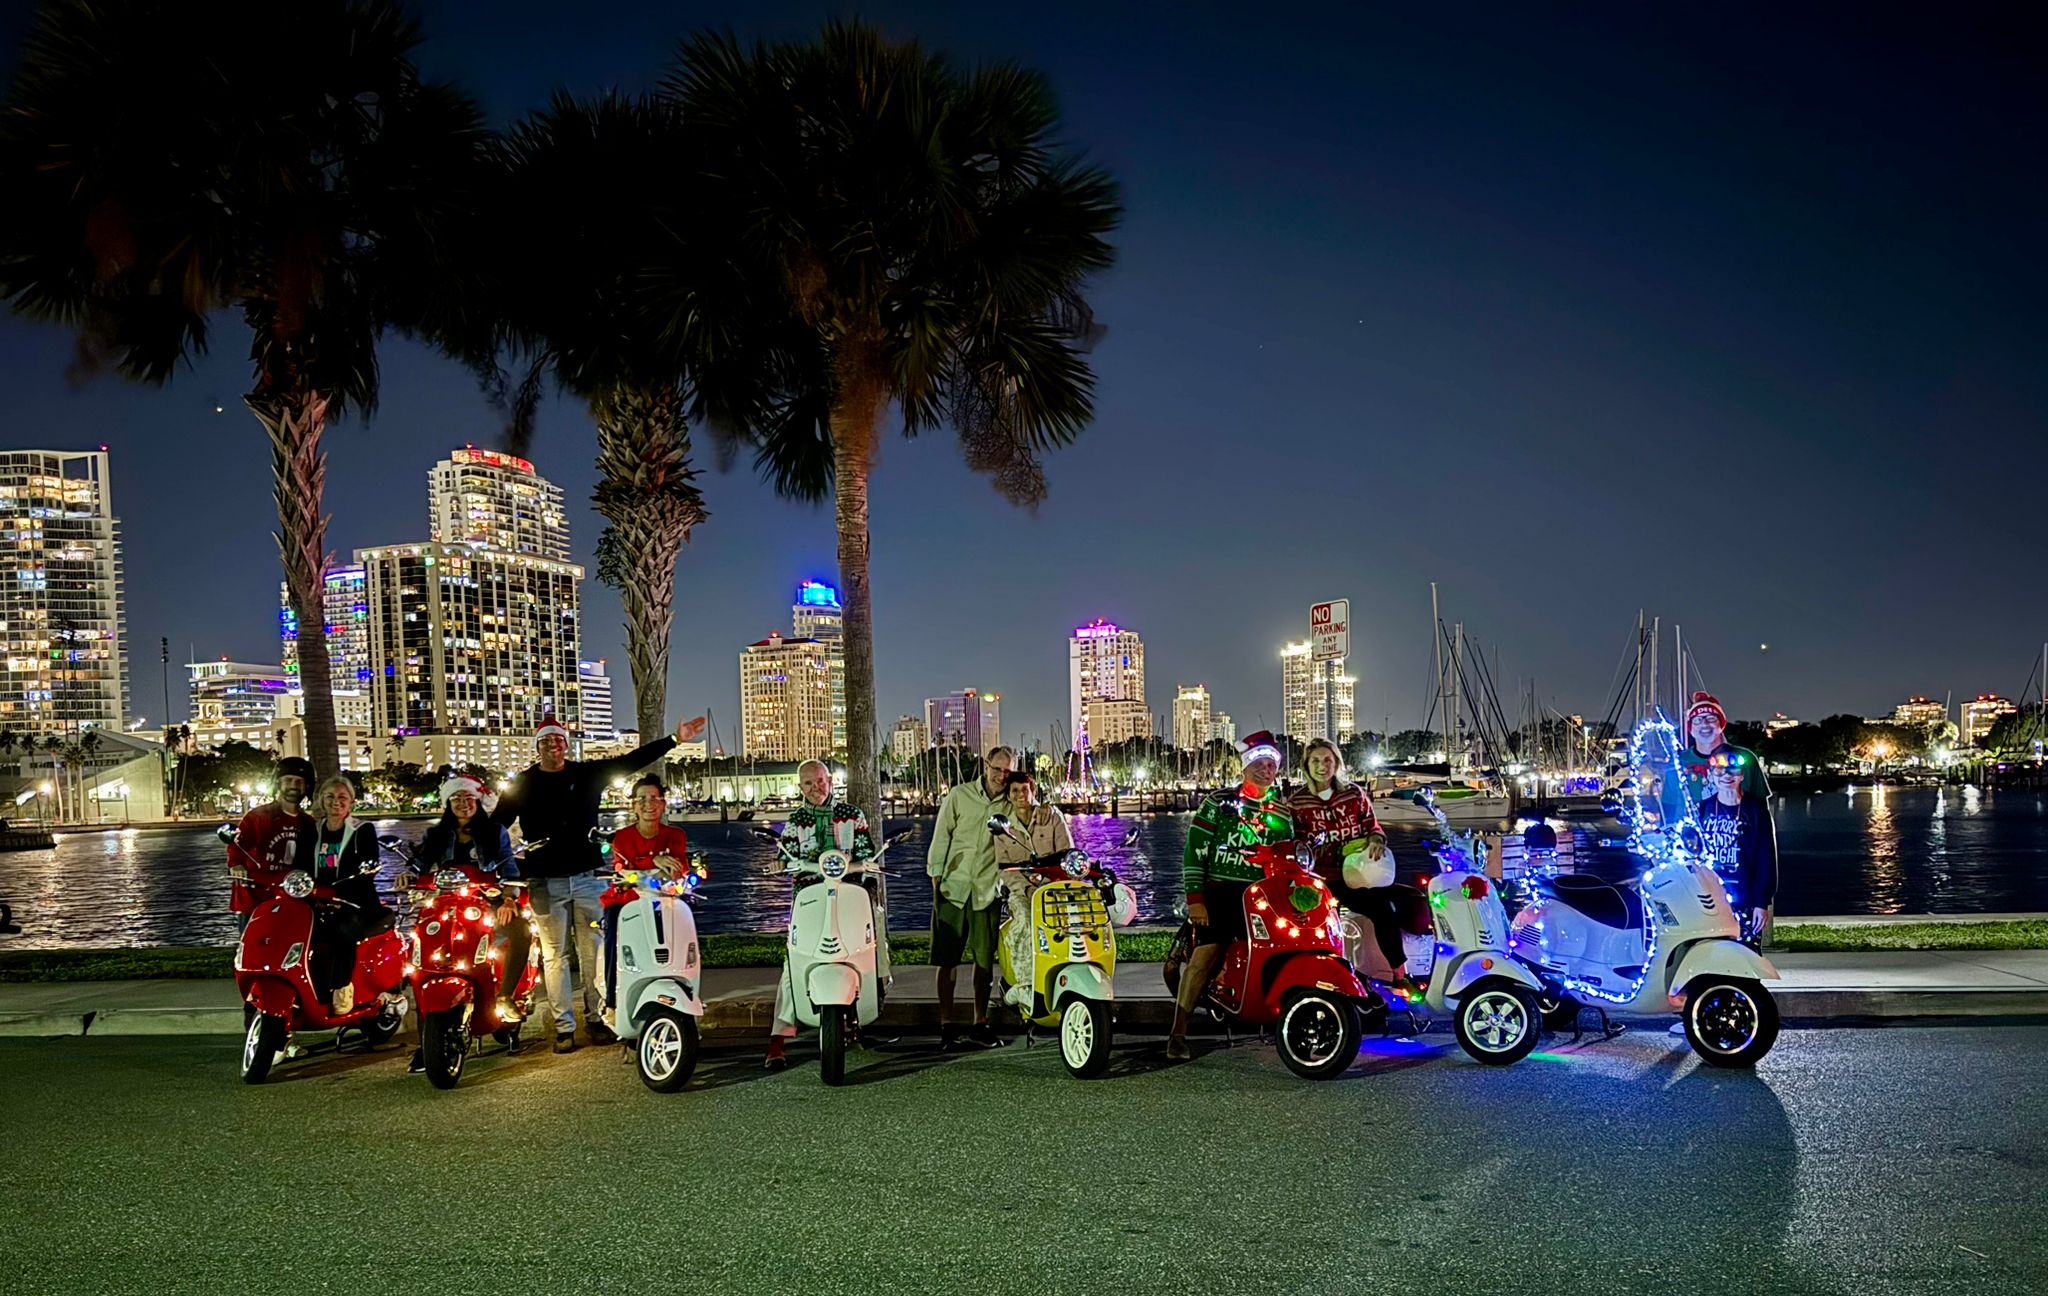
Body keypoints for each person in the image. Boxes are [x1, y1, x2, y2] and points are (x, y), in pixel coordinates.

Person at [496, 711, 705, 1053]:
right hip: (544, 881)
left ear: (567, 744)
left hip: (589, 876)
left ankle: (596, 1018)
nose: (554, 746)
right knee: (555, 956)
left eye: (559, 739)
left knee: (593, 952)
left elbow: (631, 760)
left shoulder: (586, 774)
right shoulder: (523, 784)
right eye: (546, 741)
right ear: (538, 746)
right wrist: (501, 868)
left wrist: (674, 740)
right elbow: (496, 828)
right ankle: (564, 1027)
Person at [1168, 731, 1295, 1060]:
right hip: (1221, 891)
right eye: (1259, 763)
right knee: (1205, 955)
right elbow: (1195, 850)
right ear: (1245, 766)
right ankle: (1178, 1032)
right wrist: (1195, 898)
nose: (1265, 770)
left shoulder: (1282, 814)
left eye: (1271, 765)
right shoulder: (1219, 803)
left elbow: (1289, 859)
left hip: (1262, 895)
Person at [764, 759, 879, 1071]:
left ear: (831, 780)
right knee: (794, 963)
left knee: (866, 949)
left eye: (819, 781)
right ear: (800, 787)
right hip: (809, 898)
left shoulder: (852, 814)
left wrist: (869, 876)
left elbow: (867, 852)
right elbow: (784, 854)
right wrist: (778, 864)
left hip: (849, 895)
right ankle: (778, 1037)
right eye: (808, 784)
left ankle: (865, 1010)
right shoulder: (796, 819)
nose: (815, 789)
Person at [1285, 738, 1416, 993]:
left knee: (1385, 911)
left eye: (1328, 760)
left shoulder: (1354, 794)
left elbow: (1372, 826)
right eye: (1315, 761)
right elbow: (1294, 844)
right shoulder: (1297, 803)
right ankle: (1316, 979)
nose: (1322, 766)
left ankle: (1400, 975)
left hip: (1358, 874)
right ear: (1306, 765)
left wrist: (1376, 840)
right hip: (1321, 878)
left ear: (1336, 763)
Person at [926, 746, 1015, 1049]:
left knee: (984, 961)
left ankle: (980, 1022)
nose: (1001, 775)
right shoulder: (959, 796)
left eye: (1007, 770)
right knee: (946, 959)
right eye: (997, 768)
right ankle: (946, 1024)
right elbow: (941, 838)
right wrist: (936, 881)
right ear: (985, 765)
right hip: (953, 887)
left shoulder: (1010, 804)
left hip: (986, 891)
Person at [601, 773, 691, 1026]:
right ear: (633, 805)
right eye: (642, 798)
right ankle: (611, 1000)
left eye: (655, 798)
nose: (648, 803)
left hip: (663, 898)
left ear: (663, 804)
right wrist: (654, 861)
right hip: (625, 899)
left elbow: (678, 865)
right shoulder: (623, 837)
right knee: (613, 934)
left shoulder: (675, 835)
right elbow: (622, 867)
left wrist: (650, 865)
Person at [294, 775, 393, 1006]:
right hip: (317, 899)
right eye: (329, 796)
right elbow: (301, 864)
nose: (335, 802)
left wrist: (342, 893)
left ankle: (341, 986)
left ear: (351, 802)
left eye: (342, 797)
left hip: (355, 901)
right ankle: (302, 985)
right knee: (296, 930)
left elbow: (369, 865)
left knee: (343, 930)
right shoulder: (313, 831)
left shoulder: (362, 829)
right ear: (320, 800)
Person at [991, 769, 1075, 1010]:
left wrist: (1056, 882)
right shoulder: (1003, 827)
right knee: (1026, 923)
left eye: (1024, 790)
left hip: (1056, 887)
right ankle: (1026, 986)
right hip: (1022, 892)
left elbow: (1067, 852)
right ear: (1008, 795)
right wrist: (1027, 890)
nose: (1020, 795)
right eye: (1014, 791)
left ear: (1033, 790)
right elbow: (1005, 869)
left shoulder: (1052, 816)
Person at [1695, 749, 1779, 944]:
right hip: (1709, 899)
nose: (1726, 776)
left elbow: (1766, 858)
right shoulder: (1702, 809)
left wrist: (1761, 902)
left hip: (1746, 899)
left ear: (1741, 775)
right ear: (1711, 775)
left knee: (1746, 953)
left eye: (1733, 771)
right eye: (1719, 771)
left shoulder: (1756, 810)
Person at [228, 755, 314, 932]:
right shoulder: (258, 817)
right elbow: (238, 843)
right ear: (278, 783)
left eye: (299, 782)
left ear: (307, 787)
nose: (293, 786)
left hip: (292, 896)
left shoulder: (309, 823)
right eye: (288, 780)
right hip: (256, 897)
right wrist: (236, 865)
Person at [1679, 692, 1770, 806]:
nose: (1705, 724)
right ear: (1690, 727)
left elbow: (1761, 809)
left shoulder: (1747, 758)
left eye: (1711, 718)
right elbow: (1669, 808)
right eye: (1697, 720)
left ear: (1721, 724)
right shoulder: (1678, 762)